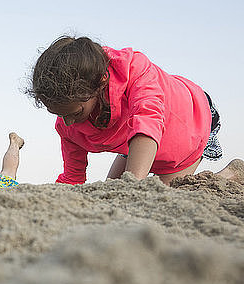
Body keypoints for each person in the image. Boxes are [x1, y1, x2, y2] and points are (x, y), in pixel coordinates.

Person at [28, 36, 244, 185]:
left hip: (190, 119)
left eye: (75, 113)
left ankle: (231, 174)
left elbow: (147, 122)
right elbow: (73, 177)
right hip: (130, 129)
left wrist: (135, 189)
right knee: (110, 189)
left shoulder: (137, 73)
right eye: (59, 114)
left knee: (165, 196)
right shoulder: (68, 124)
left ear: (100, 83)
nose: (66, 122)